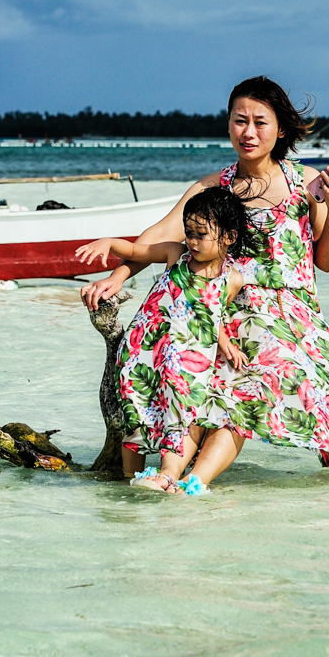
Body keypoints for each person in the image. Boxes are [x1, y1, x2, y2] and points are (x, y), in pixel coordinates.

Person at [79, 76, 329, 485]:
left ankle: (191, 481)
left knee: (260, 378)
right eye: (240, 120)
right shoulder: (214, 186)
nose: (249, 132)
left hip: (286, 312)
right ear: (227, 125)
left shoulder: (304, 184)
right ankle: (163, 475)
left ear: (281, 129)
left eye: (261, 122)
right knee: (176, 364)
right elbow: (162, 234)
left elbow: (327, 261)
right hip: (219, 303)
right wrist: (117, 276)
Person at [84, 187, 251, 496]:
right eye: (189, 232)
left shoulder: (232, 279)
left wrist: (226, 343)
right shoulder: (177, 255)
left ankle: (168, 474)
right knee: (135, 409)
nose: (192, 241)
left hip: (188, 360)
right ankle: (129, 479)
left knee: (181, 412)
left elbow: (214, 314)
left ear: (228, 236)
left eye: (201, 234)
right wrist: (110, 243)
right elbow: (137, 252)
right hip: (144, 349)